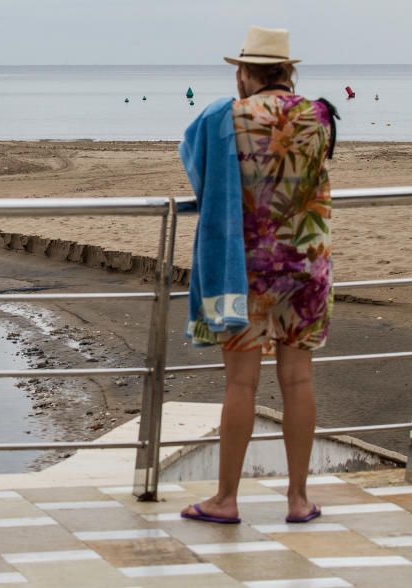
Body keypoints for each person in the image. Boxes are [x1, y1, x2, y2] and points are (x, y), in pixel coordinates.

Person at [180, 26, 333, 525]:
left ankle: (226, 498)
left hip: (242, 266)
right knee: (299, 378)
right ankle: (298, 499)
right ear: (288, 70)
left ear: (245, 72)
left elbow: (197, 170)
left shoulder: (226, 116)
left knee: (240, 386)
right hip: (306, 264)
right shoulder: (319, 116)